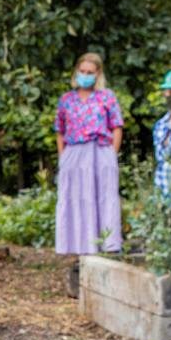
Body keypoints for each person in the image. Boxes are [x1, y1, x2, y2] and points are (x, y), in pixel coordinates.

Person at [53, 52, 124, 254]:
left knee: (104, 197)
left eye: (90, 72)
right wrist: (63, 158)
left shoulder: (107, 97)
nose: (85, 75)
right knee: (75, 198)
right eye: (82, 71)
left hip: (100, 151)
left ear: (98, 73)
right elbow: (59, 130)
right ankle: (79, 248)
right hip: (73, 153)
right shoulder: (66, 100)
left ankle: (108, 245)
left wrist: (111, 155)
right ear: (76, 71)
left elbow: (117, 127)